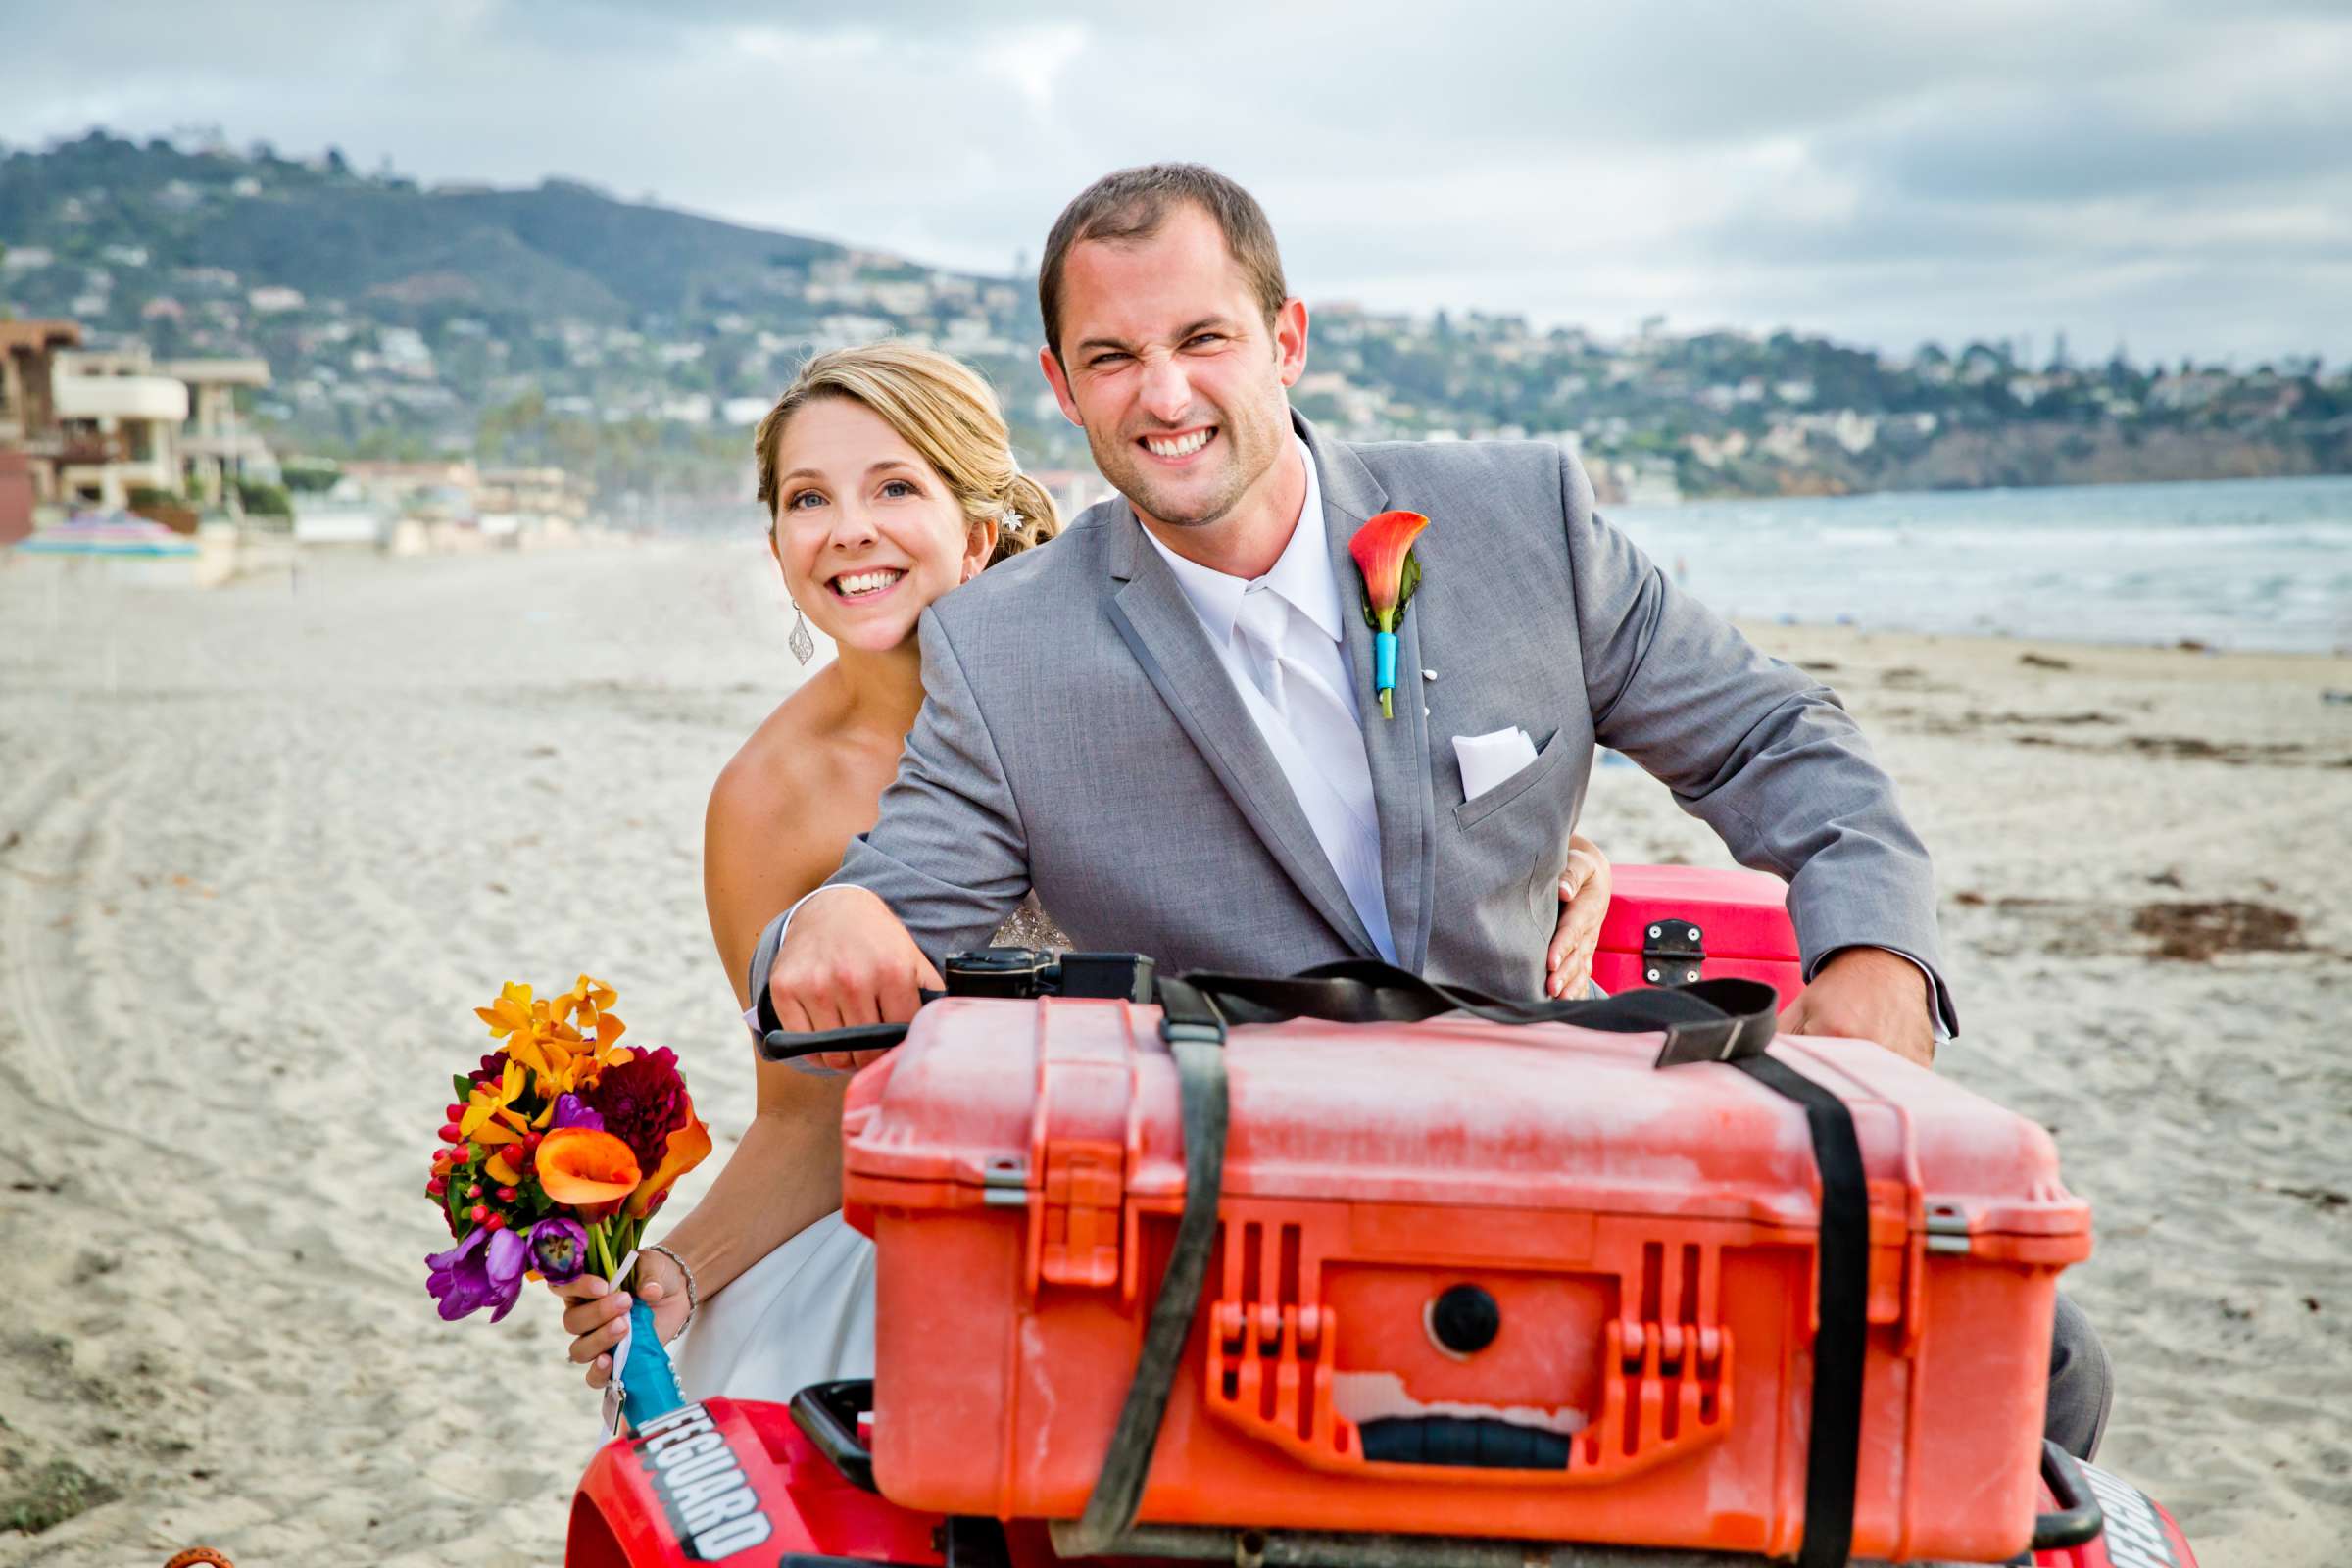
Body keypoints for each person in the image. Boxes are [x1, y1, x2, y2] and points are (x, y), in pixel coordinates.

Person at [758, 164, 2109, 1458]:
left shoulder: (1524, 518)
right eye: (1111, 358)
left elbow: (1775, 736)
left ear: (1288, 340)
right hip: (1235, 1216)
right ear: (1061, 388)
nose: (1163, 394)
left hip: (1562, 1145)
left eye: (1204, 338)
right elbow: (886, 898)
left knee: (2045, 1368)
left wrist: (1876, 955)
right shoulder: (1005, 648)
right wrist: (832, 920)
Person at [553, 341, 1617, 1402]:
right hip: (954, 1214)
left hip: (1208, 1167)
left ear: (977, 527)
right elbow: (802, 1119)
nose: (848, 531)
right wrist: (679, 1271)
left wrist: (1539, 858)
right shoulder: (765, 802)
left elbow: (1338, 825)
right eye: (806, 498)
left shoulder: (1119, 668)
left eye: (893, 487)